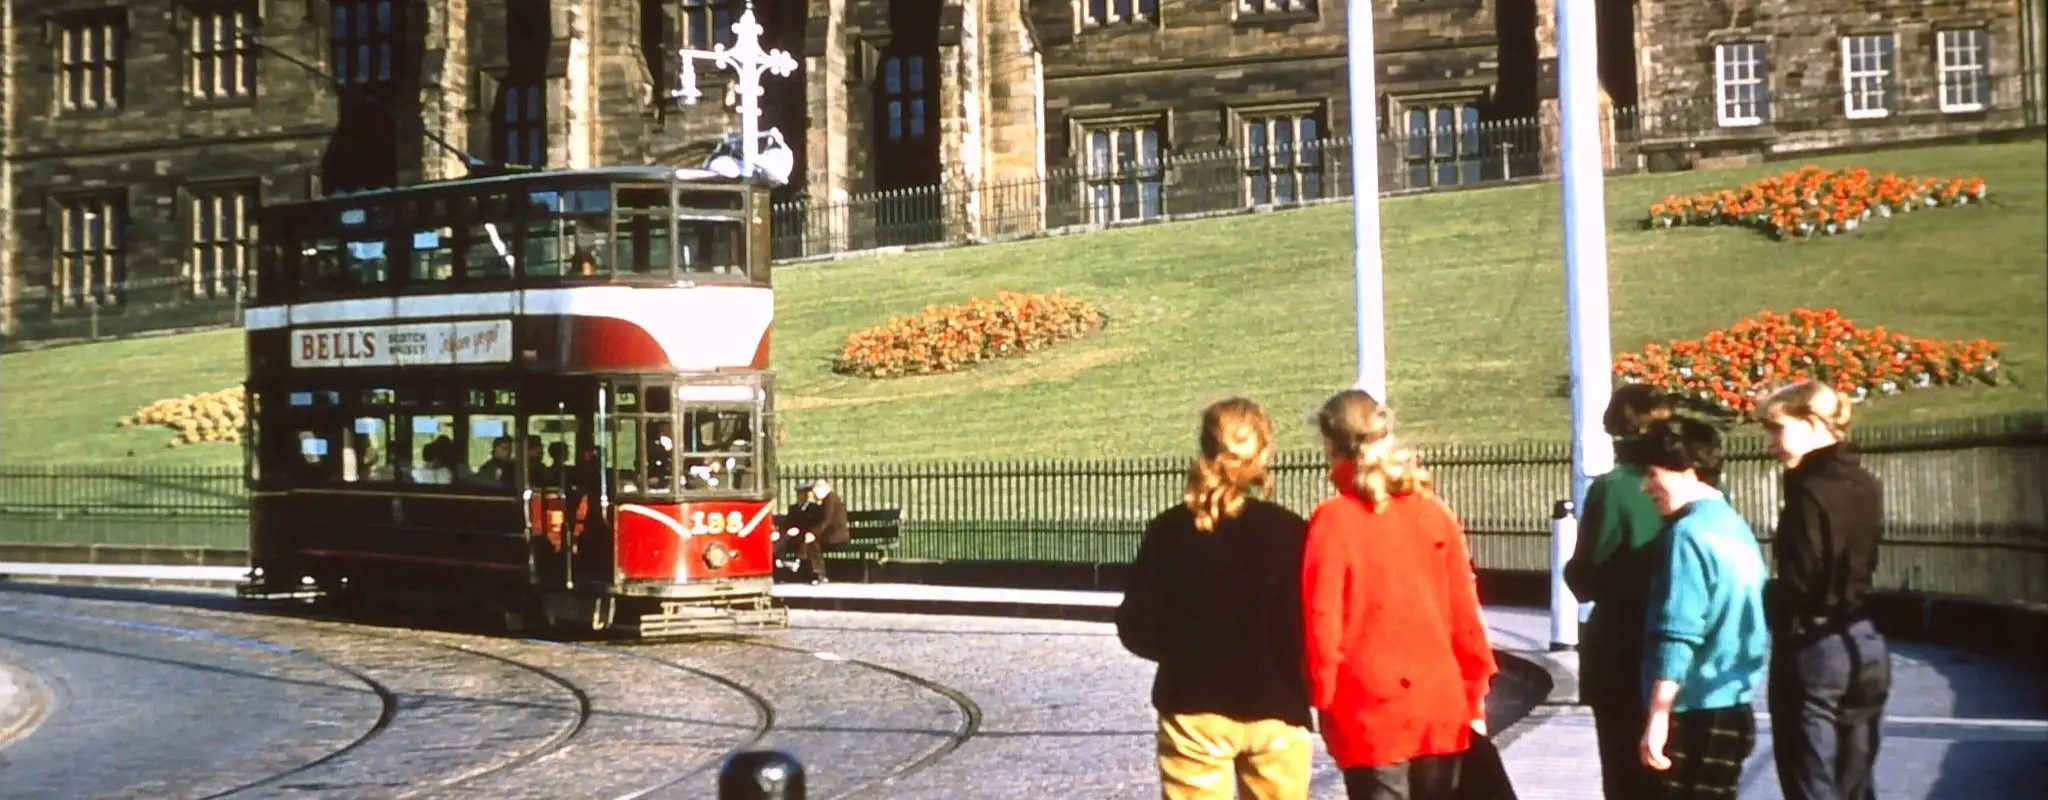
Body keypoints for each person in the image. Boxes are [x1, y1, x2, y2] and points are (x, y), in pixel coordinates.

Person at [1115, 398, 1313, 800]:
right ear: (1264, 452)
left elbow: (1137, 628)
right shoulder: (1291, 532)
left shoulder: (1169, 530)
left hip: (1193, 700)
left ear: (1204, 451)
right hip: (1278, 701)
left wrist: (1183, 650)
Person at [1303, 389, 1496, 800]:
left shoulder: (1334, 520)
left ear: (1331, 445)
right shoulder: (1433, 511)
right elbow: (1464, 612)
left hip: (1367, 705)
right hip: (1439, 698)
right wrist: (1474, 692)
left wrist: (1324, 696)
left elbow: (1323, 622)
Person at [1756, 381, 1890, 800]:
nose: (1771, 443)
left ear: (1812, 422)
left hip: (1813, 646)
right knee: (1855, 780)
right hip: (1864, 641)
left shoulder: (1807, 489)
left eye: (1778, 428)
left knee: (1810, 779)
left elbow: (1803, 578)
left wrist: (1768, 601)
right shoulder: (1865, 483)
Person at [1636, 417, 1771, 798]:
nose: (1647, 488)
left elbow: (1679, 631)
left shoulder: (1687, 534)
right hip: (1733, 701)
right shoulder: (1733, 526)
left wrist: (1658, 715)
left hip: (1692, 708)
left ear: (1688, 472)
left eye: (1653, 474)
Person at [1563, 384, 1676, 800]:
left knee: (1626, 773)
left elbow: (1586, 577)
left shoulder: (1615, 488)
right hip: (1684, 653)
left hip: (1622, 648)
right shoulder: (1701, 484)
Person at [782, 478, 847, 584]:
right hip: (818, 535)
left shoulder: (825, 502)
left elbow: (824, 521)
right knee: (811, 541)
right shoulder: (828, 500)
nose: (812, 496)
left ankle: (811, 569)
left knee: (812, 542)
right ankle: (816, 572)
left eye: (811, 493)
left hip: (828, 536)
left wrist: (811, 533)